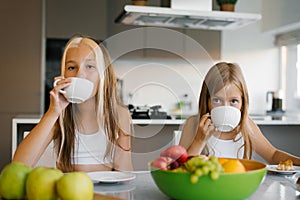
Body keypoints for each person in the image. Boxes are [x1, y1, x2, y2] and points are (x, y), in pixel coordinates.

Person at [13, 35, 133, 172]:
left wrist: (122, 140)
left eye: (90, 66)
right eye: (71, 67)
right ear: (63, 75)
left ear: (103, 76)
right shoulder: (60, 117)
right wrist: (53, 113)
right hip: (68, 191)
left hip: (105, 192)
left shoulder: (119, 115)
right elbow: (19, 164)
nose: (79, 75)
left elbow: (124, 174)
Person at [179, 62, 300, 166]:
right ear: (206, 100)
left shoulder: (246, 125)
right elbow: (180, 169)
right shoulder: (193, 124)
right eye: (217, 100)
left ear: (243, 103)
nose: (225, 108)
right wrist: (199, 140)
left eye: (233, 101)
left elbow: (273, 155)